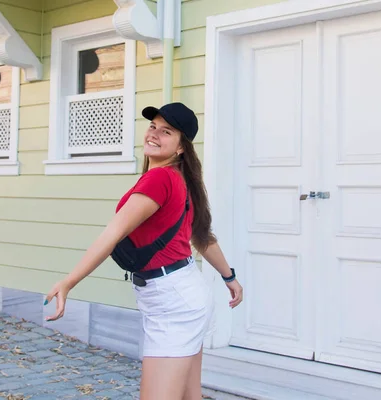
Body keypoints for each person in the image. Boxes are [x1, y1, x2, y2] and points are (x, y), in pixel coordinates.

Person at [44, 102, 244, 400]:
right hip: (183, 294)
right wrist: (229, 278)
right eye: (153, 126)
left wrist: (69, 281)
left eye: (166, 131)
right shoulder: (180, 178)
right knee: (190, 396)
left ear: (181, 148)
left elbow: (112, 233)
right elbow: (202, 237)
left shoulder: (160, 179)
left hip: (172, 303)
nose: (154, 134)